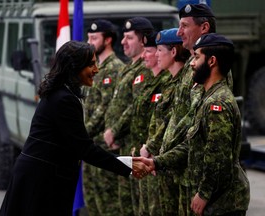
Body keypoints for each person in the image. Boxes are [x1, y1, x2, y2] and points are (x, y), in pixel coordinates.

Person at [0, 40, 150, 216]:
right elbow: (84, 149)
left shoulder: (62, 93)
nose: (96, 70)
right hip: (40, 182)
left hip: (41, 178)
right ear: (74, 67)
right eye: (91, 64)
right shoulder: (64, 99)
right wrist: (128, 165)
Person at [136, 33, 250, 216]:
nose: (191, 63)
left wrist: (204, 194)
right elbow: (191, 145)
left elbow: (218, 158)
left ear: (212, 61)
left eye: (197, 57)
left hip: (223, 204)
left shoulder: (217, 104)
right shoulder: (207, 98)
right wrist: (156, 163)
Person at [103, 17, 154, 216]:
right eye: (123, 37)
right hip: (123, 146)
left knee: (135, 207)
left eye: (129, 37)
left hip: (135, 147)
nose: (123, 42)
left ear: (143, 41)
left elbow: (136, 106)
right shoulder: (129, 67)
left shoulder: (146, 70)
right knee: (126, 205)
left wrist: (114, 131)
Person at [139, 28, 190, 216]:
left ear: (174, 52)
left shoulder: (182, 84)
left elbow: (173, 123)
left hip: (171, 162)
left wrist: (151, 146)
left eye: (160, 50)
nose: (157, 55)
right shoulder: (170, 83)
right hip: (161, 160)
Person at [83, 19, 125, 216]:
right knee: (92, 201)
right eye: (88, 37)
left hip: (104, 145)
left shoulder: (115, 68)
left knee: (109, 203)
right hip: (91, 144)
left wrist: (83, 131)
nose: (89, 42)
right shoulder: (95, 66)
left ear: (107, 40)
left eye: (94, 38)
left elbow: (105, 106)